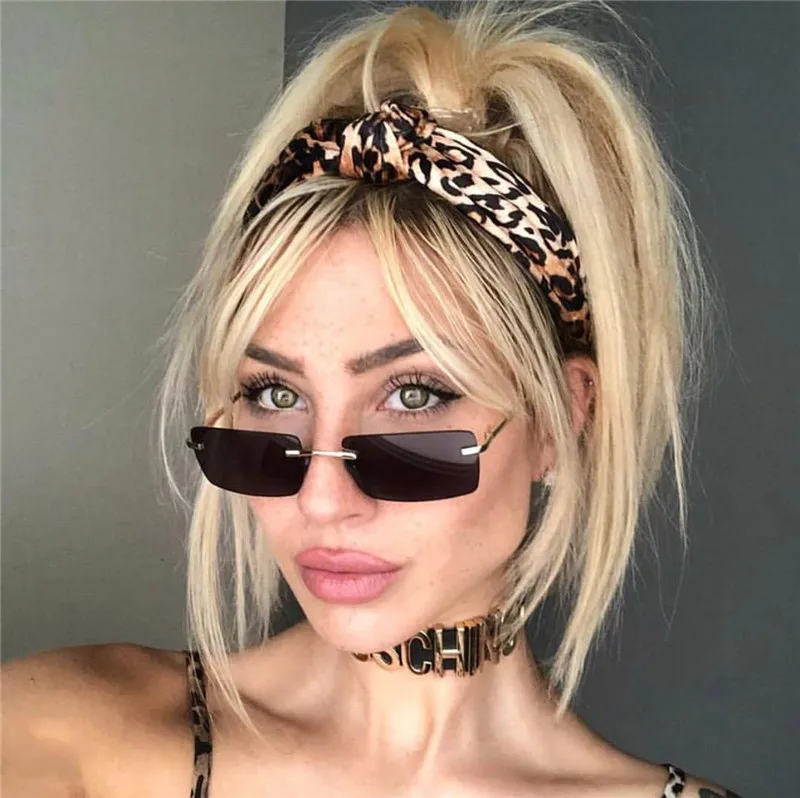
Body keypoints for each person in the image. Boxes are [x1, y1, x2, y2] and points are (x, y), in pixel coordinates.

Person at [2, 2, 744, 796]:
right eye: (273, 393)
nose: (321, 499)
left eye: (414, 396)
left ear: (561, 419)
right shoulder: (58, 736)